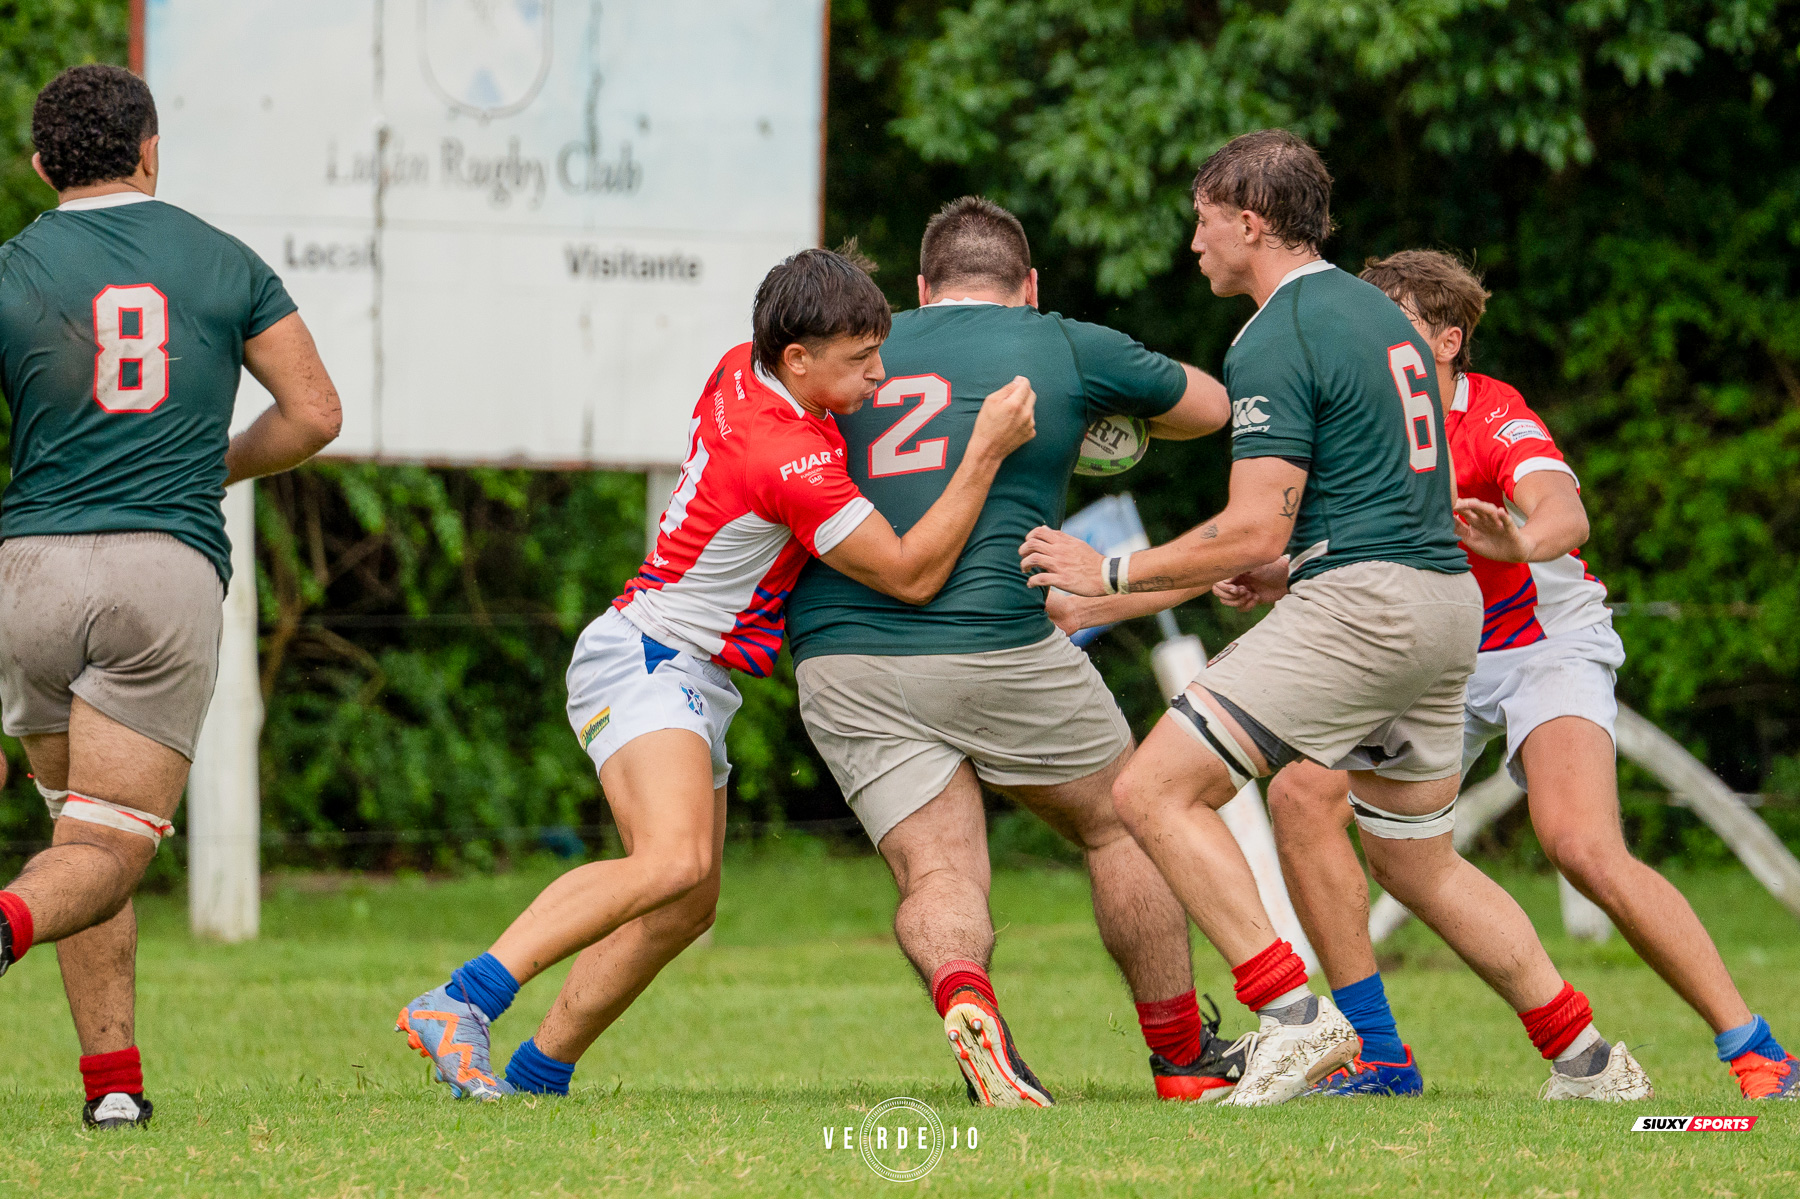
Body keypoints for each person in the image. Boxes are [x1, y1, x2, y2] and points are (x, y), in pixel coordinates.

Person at [1022, 129, 1653, 1106]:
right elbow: (1336, 505)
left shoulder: (1278, 332)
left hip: (1368, 609)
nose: (1193, 244)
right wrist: (1281, 559)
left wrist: (1105, 569)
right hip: (1449, 610)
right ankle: (1590, 1059)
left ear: (1248, 220)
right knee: (1418, 861)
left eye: (1201, 220)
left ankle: (1293, 1016)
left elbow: (1246, 526)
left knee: (1150, 789)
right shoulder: (1379, 315)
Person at [395, 247, 1038, 1099]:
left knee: (687, 900)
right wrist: (985, 449)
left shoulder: (741, 365)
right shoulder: (790, 462)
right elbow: (913, 571)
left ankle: (536, 1075)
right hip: (649, 660)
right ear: (797, 360)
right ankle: (461, 1000)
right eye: (861, 362)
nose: (882, 378)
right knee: (669, 861)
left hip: (682, 668)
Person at [1255, 249, 1797, 1101]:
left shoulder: (1490, 410)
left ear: (1446, 339)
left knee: (1580, 845)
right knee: (1305, 797)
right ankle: (1379, 1056)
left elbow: (1563, 509)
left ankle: (1756, 1050)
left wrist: (1520, 540)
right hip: (1438, 651)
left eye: (1385, 319)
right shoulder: (1362, 421)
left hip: (1544, 644)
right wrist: (1274, 574)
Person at [780, 197, 1245, 1106]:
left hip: (842, 653)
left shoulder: (854, 344)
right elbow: (1213, 407)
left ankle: (968, 999)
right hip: (999, 638)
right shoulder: (1060, 341)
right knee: (1125, 819)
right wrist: (1107, 419)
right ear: (1029, 288)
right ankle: (1184, 1057)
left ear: (917, 291)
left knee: (940, 871)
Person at [0, 65, 343, 1128]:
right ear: (151, 148)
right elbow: (315, 412)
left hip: (27, 573)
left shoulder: (11, 265)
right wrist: (214, 468)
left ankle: (112, 1088)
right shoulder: (220, 257)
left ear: (42, 163)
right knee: (112, 845)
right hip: (160, 570)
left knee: (77, 829)